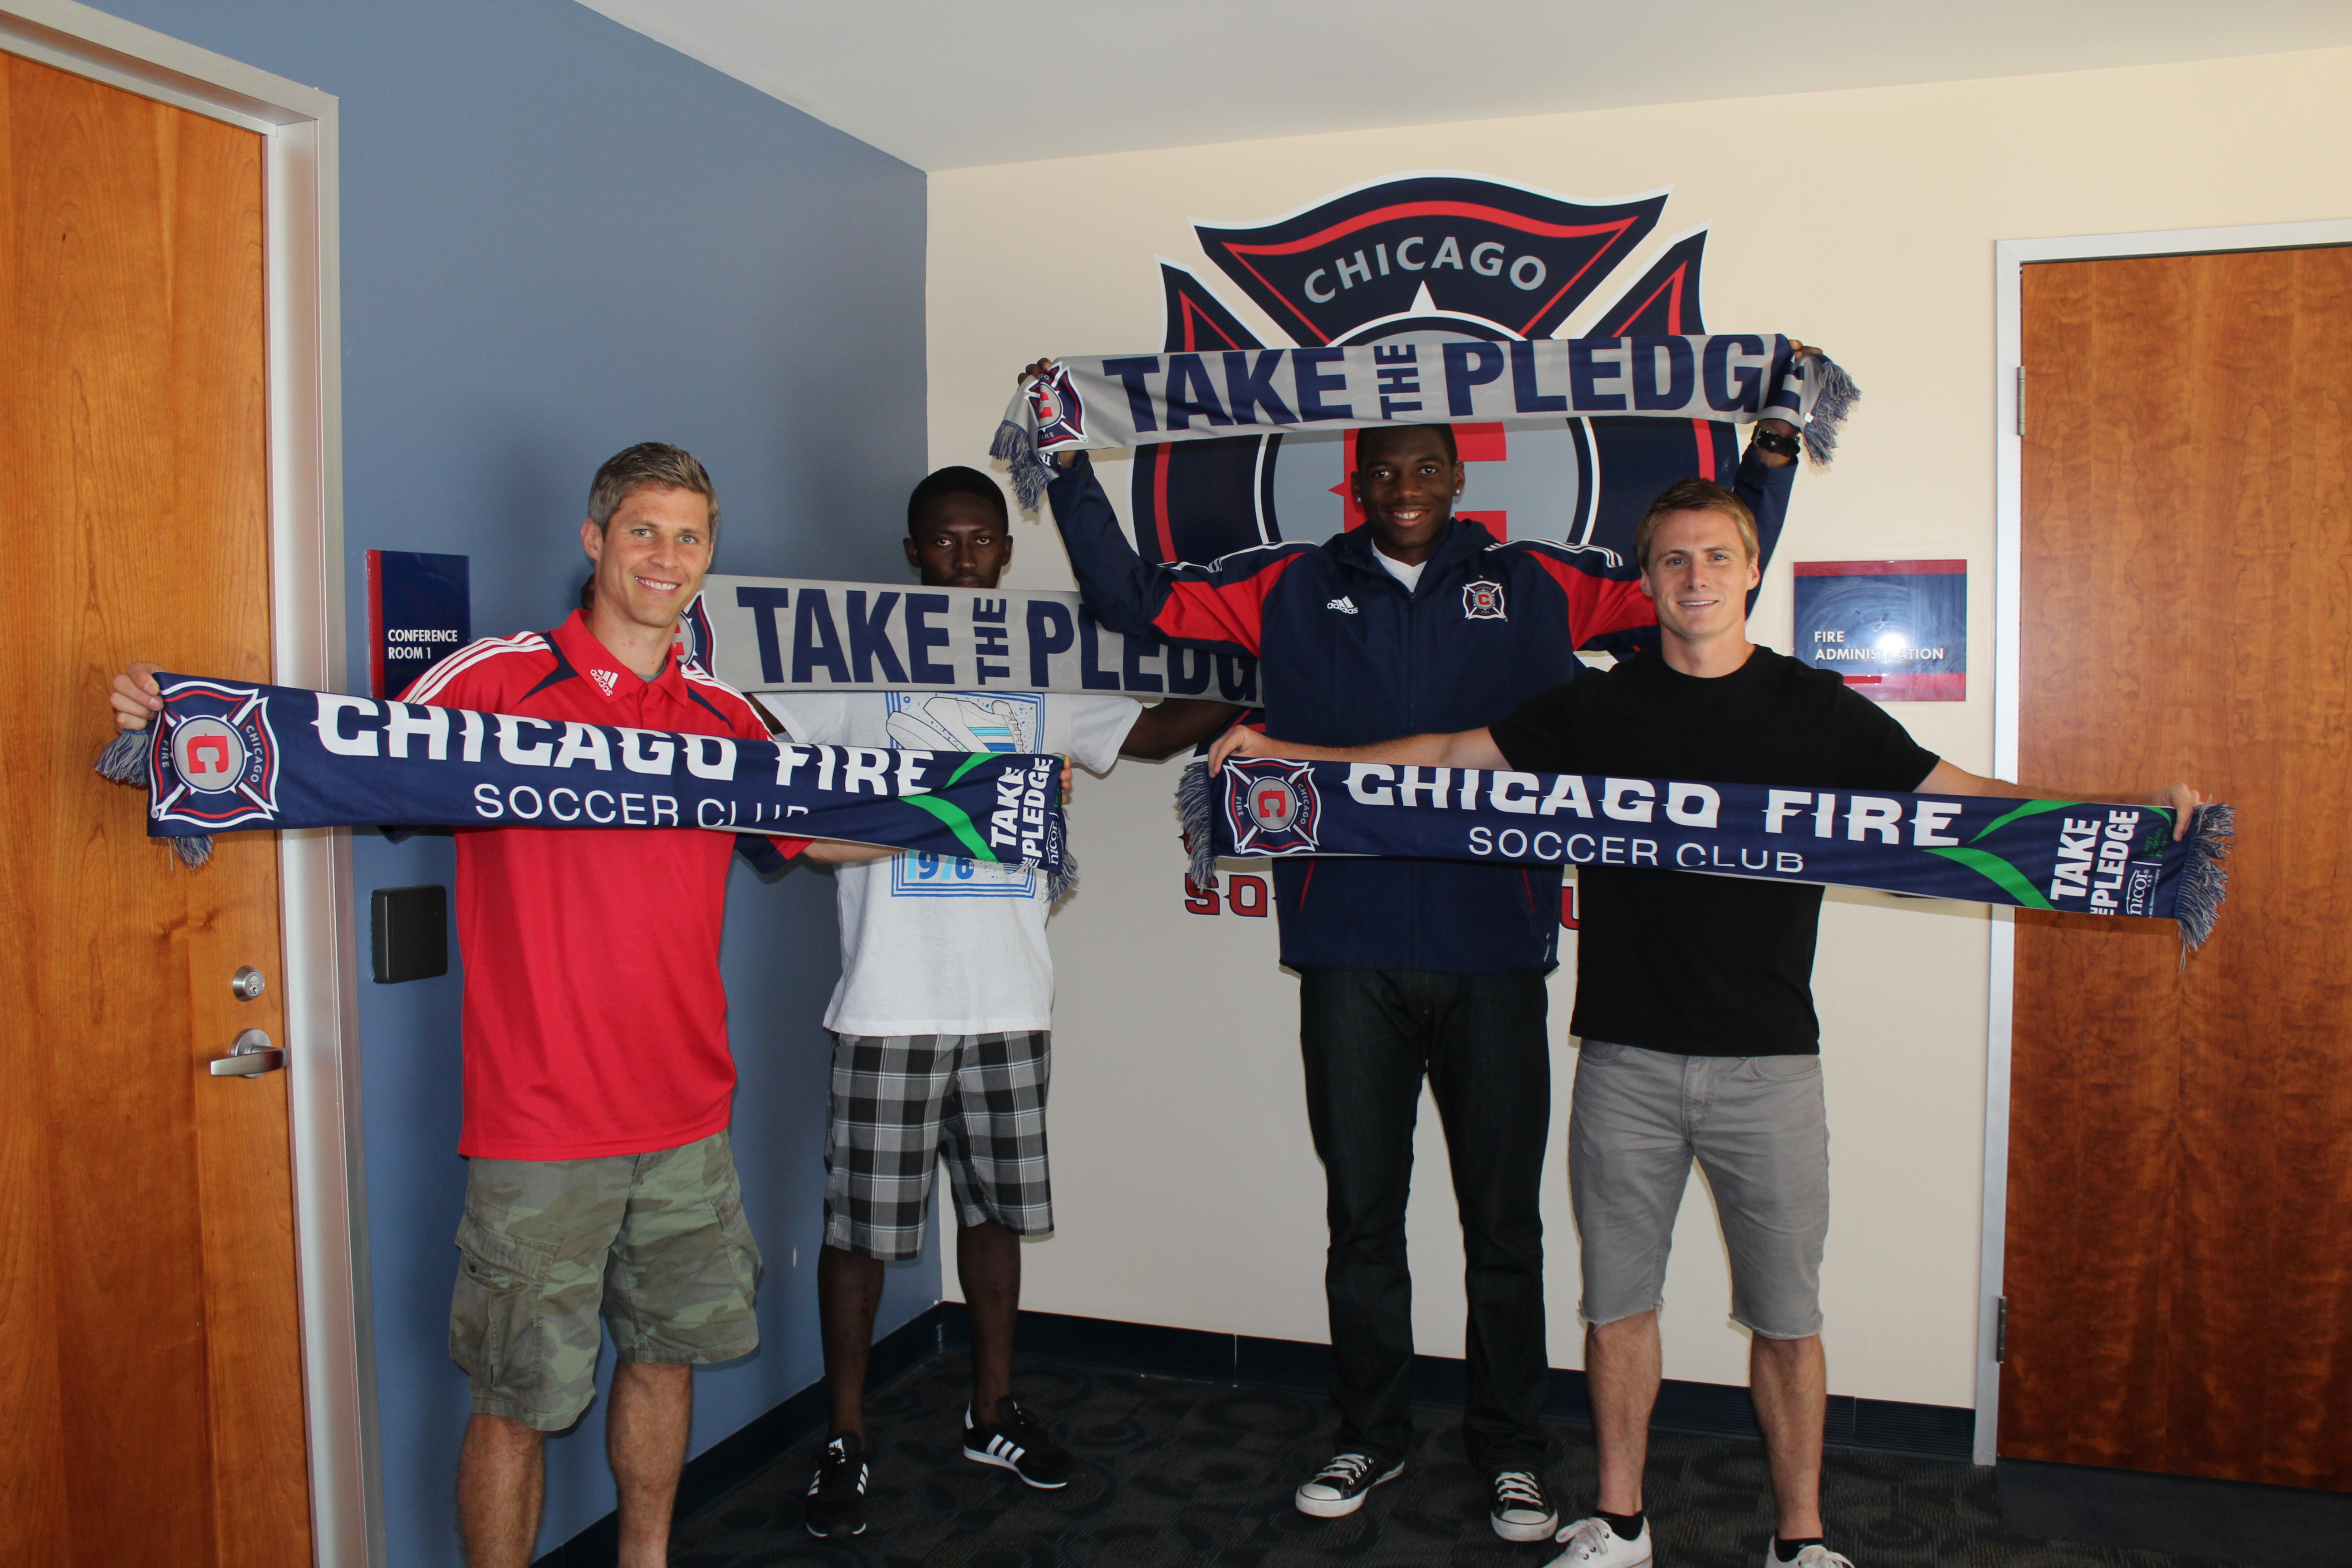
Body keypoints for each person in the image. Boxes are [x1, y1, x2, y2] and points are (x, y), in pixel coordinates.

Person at [1210, 477, 2205, 1568]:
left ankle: (1801, 1540)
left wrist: (2132, 830)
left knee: (1787, 1321)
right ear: (1647, 583)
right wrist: (1301, 765)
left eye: (1717, 559)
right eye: (1674, 562)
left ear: (1751, 572)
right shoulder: (1598, 705)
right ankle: (1623, 1521)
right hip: (1625, 1061)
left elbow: (1956, 800)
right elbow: (1452, 757)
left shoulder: (1810, 707)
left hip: (1770, 1067)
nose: (1696, 579)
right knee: (1617, 1308)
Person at [1024, 356, 1803, 1541]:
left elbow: (1686, 583)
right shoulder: (1288, 581)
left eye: (1425, 467)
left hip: (1498, 950)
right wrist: (1071, 463)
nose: (1404, 486)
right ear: (1356, 480)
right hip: (1347, 950)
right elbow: (1134, 600)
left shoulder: (1535, 578)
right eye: (1384, 470)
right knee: (1363, 1213)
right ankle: (1368, 1434)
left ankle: (1512, 1450)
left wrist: (1773, 452)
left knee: (1506, 1225)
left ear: (1457, 477)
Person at [112, 442, 823, 1568]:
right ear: (594, 541)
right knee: (517, 1398)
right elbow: (350, 751)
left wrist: (1001, 801)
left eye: (690, 536)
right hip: (540, 1127)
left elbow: (822, 828)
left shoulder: (726, 715)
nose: (667, 556)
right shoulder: (497, 679)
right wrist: (185, 720)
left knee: (663, 1358)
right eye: (644, 529)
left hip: (689, 1117)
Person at [763, 465, 1238, 1540]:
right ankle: (846, 1432)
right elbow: (746, 718)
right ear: (912, 554)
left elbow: (1154, 732)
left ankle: (992, 1409)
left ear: (1006, 555)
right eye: (945, 541)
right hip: (885, 1000)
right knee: (862, 1234)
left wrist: (1275, 676)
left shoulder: (1043, 670)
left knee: (996, 1216)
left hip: (1010, 995)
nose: (965, 557)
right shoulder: (848, 668)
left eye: (983, 540)